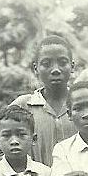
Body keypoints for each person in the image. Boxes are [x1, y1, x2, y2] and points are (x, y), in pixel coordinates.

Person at [11, 35, 76, 167]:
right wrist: (17, 170)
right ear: (36, 69)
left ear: (72, 66)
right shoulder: (23, 106)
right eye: (46, 64)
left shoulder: (84, 104)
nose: (55, 70)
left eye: (62, 62)